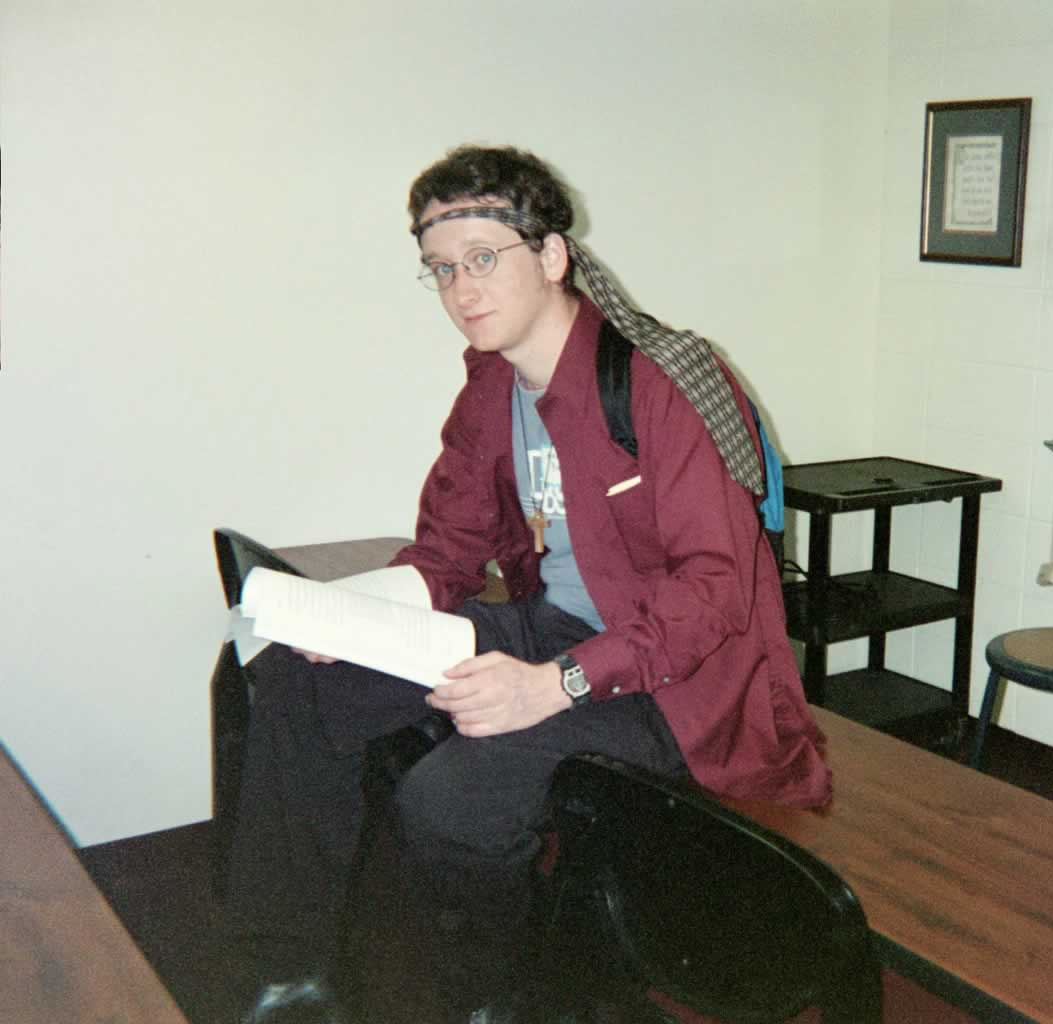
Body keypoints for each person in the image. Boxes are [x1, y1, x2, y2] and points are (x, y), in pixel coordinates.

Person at [223, 144, 830, 1024]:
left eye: (483, 259)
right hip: (557, 631)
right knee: (295, 677)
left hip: (680, 686)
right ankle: (293, 978)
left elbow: (714, 592)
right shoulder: (492, 387)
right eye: (440, 270)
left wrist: (552, 687)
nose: (461, 289)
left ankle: (494, 1008)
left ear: (550, 256)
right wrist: (357, 618)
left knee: (447, 803)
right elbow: (446, 552)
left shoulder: (661, 382)